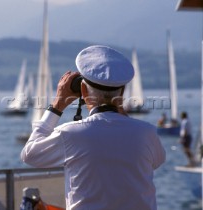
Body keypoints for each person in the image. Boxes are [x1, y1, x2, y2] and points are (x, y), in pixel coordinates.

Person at [21, 45, 166, 210]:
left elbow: (29, 155)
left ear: (83, 89)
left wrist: (58, 104)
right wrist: (121, 112)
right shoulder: (147, 132)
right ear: (123, 90)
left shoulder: (70, 134)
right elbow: (157, 160)